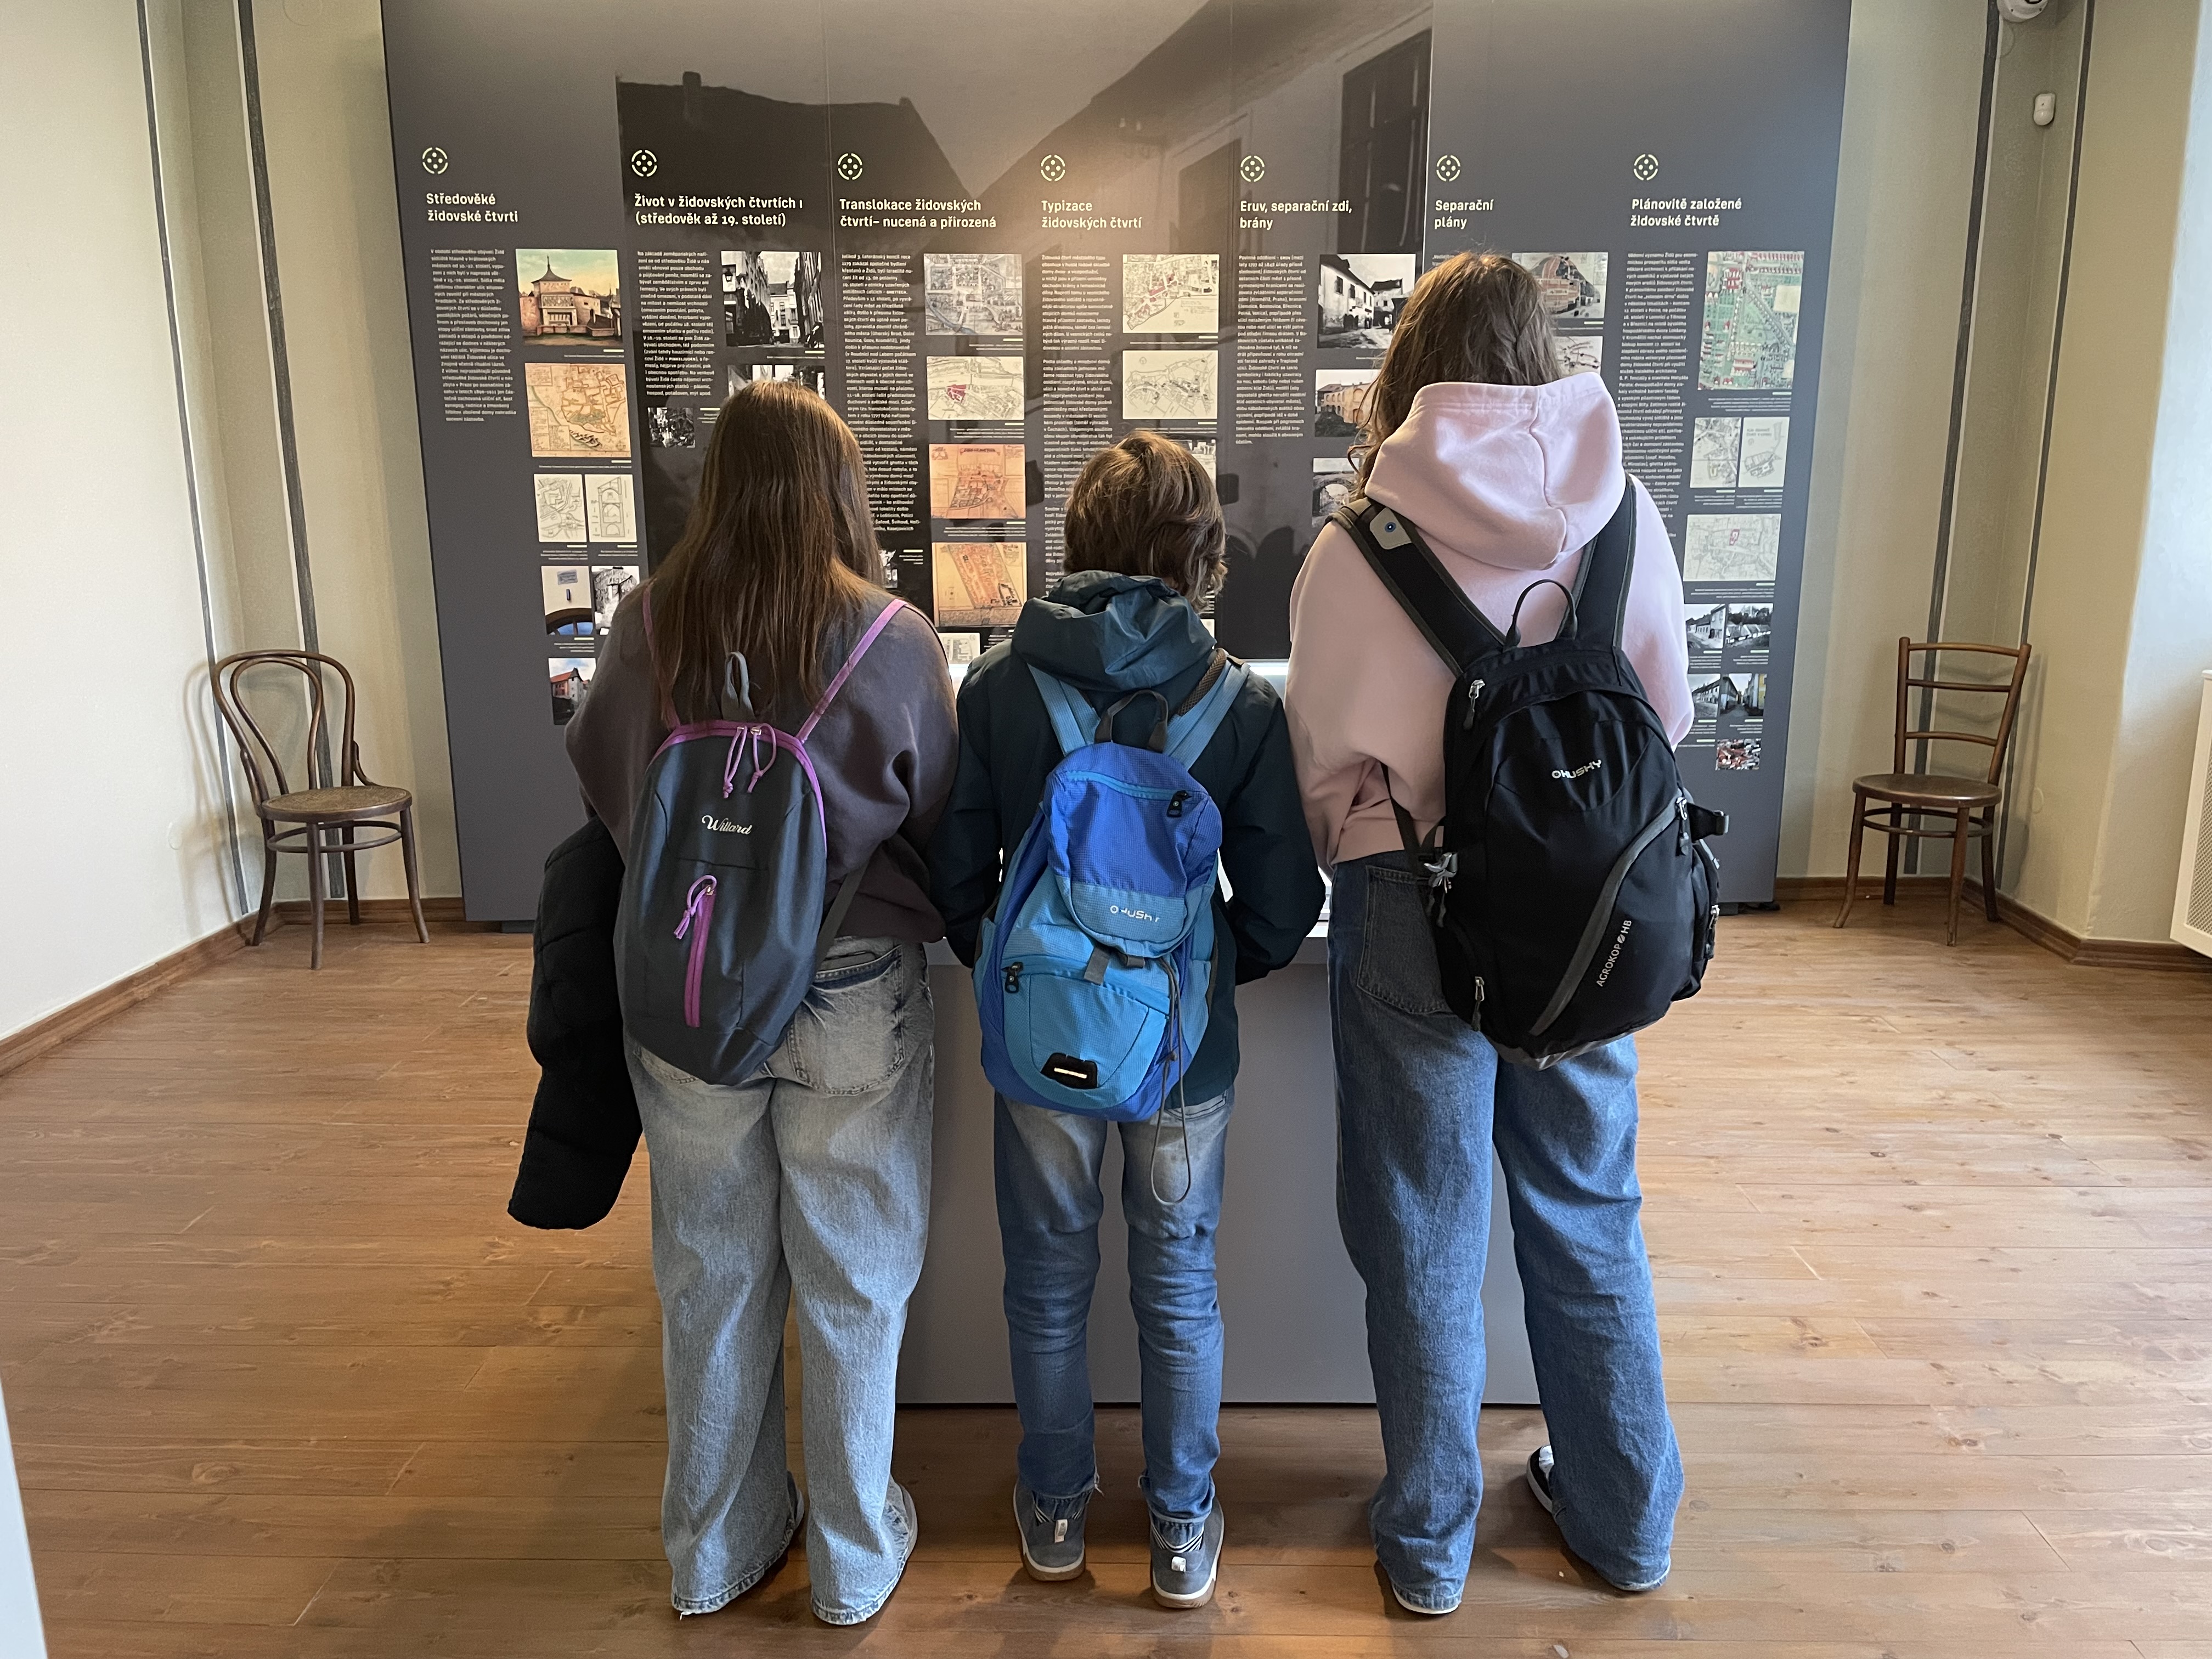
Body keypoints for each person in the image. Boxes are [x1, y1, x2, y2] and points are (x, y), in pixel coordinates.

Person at [1284, 252, 1695, 1610]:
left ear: (1409, 366)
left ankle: (1428, 1547)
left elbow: (1324, 769)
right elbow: (1666, 720)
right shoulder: (1626, 513)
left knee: (1422, 1224)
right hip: (1588, 905)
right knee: (1588, 1205)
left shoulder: (1357, 543)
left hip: (1411, 893)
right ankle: (1627, 1520)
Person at [565, 381, 957, 1626]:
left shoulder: (648, 620)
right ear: (839, 489)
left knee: (710, 1272)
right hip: (852, 986)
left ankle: (714, 1553)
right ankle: (851, 1557)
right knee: (855, 1276)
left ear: (718, 485)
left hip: (686, 986)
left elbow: (606, 779)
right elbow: (939, 812)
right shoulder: (891, 637)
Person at [930, 431, 1324, 1609]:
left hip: (1041, 1042)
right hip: (1183, 1057)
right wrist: (1195, 983)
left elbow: (959, 879)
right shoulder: (1239, 704)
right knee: (1180, 1282)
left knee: (1047, 1279)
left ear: (1079, 542)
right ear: (1198, 553)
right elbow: (1284, 905)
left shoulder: (999, 687)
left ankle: (1056, 1511)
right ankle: (1180, 1528)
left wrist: (1020, 973)